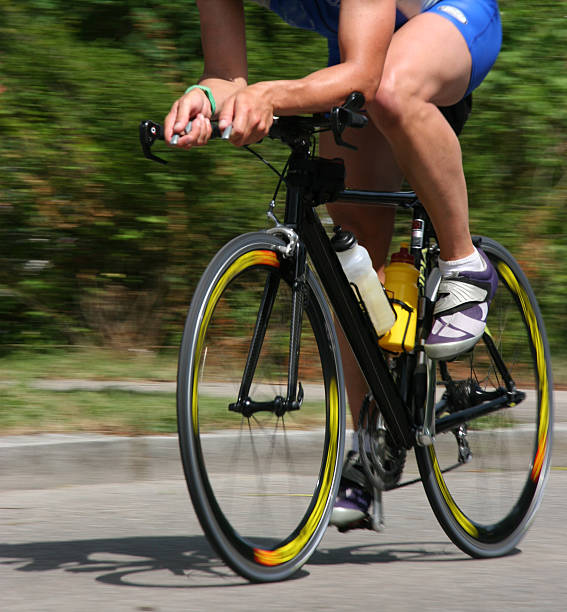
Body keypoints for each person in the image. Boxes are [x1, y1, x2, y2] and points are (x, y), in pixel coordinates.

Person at [164, 0, 502, 530]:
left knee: (392, 89)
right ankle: (370, 445)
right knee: (356, 262)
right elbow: (227, 76)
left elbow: (365, 77)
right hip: (363, 46)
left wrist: (269, 96)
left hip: (443, 20)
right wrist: (204, 97)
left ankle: (465, 263)